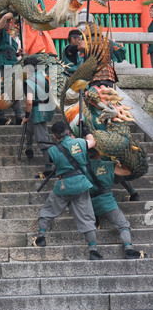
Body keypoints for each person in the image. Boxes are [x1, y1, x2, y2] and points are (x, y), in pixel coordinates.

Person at [32, 120, 104, 260]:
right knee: (87, 217)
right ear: (68, 132)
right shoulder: (79, 142)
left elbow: (51, 161)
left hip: (64, 185)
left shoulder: (52, 150)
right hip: (81, 185)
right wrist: (85, 130)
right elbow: (92, 142)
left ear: (54, 137)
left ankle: (41, 236)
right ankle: (93, 249)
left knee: (47, 211)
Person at [87, 148, 147, 259]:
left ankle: (93, 249)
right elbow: (128, 172)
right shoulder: (109, 165)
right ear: (100, 153)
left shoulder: (83, 167)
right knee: (123, 225)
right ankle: (128, 249)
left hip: (89, 203)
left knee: (89, 225)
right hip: (107, 202)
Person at [22, 56, 55, 178]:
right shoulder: (44, 76)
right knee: (29, 128)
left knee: (42, 139)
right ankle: (29, 148)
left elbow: (29, 102)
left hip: (37, 110)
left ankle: (49, 167)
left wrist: (26, 116)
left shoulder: (30, 81)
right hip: (45, 107)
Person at [0, 10, 23, 125]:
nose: (9, 24)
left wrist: (18, 54)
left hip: (13, 63)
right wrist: (16, 10)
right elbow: (4, 16)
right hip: (2, 64)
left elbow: (11, 51)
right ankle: (2, 115)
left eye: (10, 22)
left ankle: (19, 115)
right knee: (2, 88)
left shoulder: (10, 37)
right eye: (7, 22)